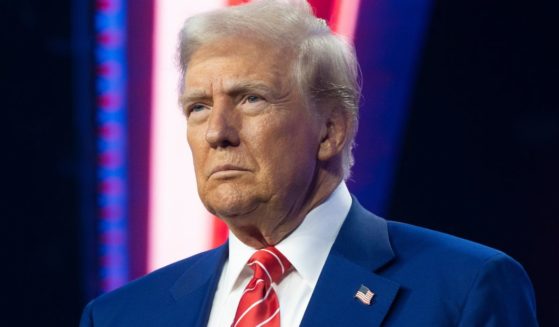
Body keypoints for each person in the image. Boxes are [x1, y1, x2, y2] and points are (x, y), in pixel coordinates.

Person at [80, 1, 538, 326]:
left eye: (251, 98)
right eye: (198, 107)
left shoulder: (463, 289)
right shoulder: (122, 315)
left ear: (330, 131)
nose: (217, 131)